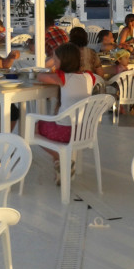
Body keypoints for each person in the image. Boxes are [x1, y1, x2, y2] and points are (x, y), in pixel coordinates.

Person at [35, 43, 96, 185]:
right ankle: (59, 170)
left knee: (35, 127)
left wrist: (51, 68)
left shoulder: (63, 77)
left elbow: (40, 76)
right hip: (84, 131)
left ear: (63, 61)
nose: (54, 62)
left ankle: (60, 158)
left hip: (66, 132)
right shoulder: (89, 76)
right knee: (52, 123)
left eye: (55, 60)